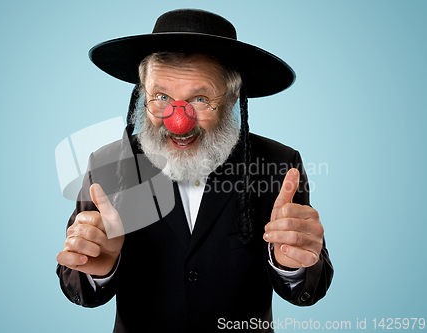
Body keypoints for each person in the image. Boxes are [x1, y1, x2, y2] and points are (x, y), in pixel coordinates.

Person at [56, 9, 333, 333]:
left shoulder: (279, 166)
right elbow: (75, 286)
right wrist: (96, 270)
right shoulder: (109, 167)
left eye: (200, 99)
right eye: (161, 96)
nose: (178, 121)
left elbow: (310, 289)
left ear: (231, 101)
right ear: (142, 96)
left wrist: (292, 264)